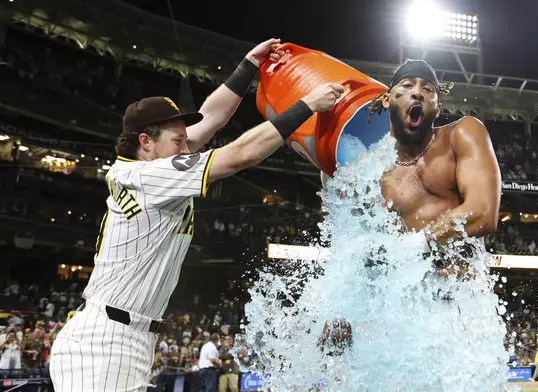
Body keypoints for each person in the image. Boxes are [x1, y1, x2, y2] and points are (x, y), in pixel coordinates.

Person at [48, 36, 346, 392]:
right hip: (106, 342)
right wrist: (306, 105)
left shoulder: (150, 164)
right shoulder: (151, 175)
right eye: (178, 140)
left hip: (123, 336)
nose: (186, 145)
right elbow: (240, 155)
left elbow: (211, 119)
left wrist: (248, 66)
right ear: (146, 141)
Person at [322, 59, 501, 276]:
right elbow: (348, 232)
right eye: (407, 85)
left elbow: (483, 213)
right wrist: (325, 150)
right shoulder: (368, 169)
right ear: (386, 100)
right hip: (404, 299)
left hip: (459, 298)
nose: (417, 93)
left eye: (428, 89)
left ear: (437, 108)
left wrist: (414, 246)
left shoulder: (462, 134)